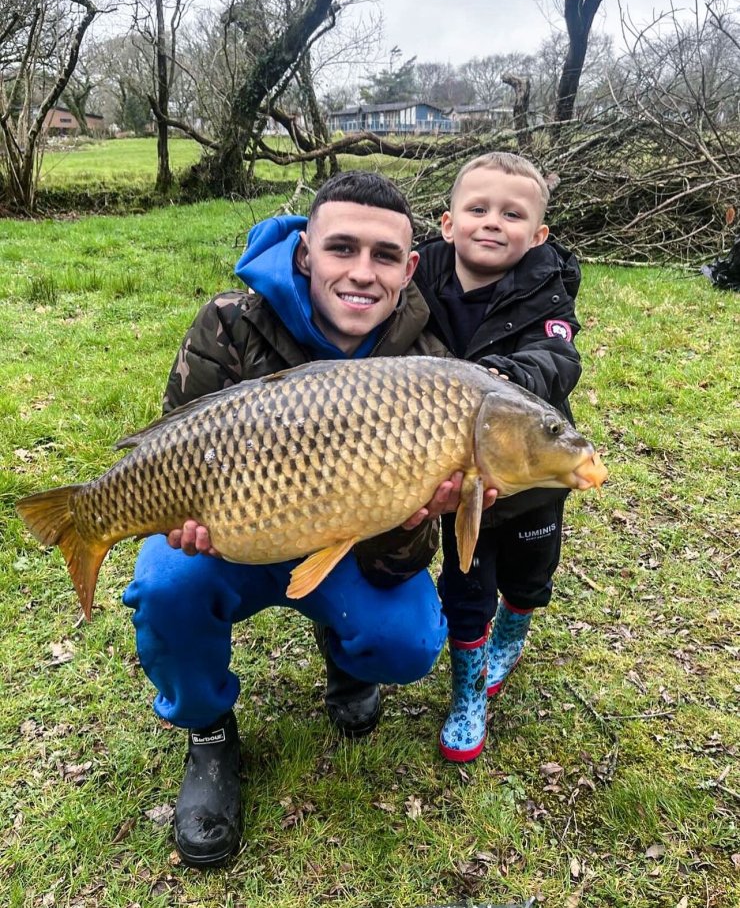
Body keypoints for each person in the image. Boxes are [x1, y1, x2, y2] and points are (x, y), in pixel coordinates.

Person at [122, 171, 492, 868]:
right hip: (238, 532)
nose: (361, 272)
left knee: (410, 637)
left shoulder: (428, 366)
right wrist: (181, 520)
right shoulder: (230, 321)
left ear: (410, 267)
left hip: (346, 548)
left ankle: (347, 657)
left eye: (385, 256)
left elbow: (403, 563)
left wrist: (416, 517)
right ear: (304, 254)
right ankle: (206, 732)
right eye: (341, 248)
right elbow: (174, 451)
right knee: (167, 581)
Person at [413, 151, 583, 762]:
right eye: (477, 208)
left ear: (537, 235)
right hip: (462, 478)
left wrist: (502, 377)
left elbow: (558, 360)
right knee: (463, 584)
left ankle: (513, 630)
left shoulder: (548, 290)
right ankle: (467, 693)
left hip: (531, 472)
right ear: (447, 222)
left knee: (529, 577)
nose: (492, 222)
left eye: (512, 214)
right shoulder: (418, 280)